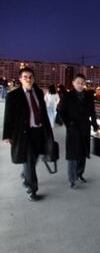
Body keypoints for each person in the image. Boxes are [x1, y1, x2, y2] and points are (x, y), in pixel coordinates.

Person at [2, 67, 54, 201]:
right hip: (25, 133)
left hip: (39, 131)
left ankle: (26, 175)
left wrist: (48, 130)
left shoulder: (38, 92)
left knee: (34, 158)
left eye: (30, 76)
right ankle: (32, 190)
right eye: (25, 77)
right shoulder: (13, 96)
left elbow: (43, 114)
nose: (28, 79)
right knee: (30, 161)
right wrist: (6, 135)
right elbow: (8, 117)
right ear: (20, 79)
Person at [58, 74, 99, 188]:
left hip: (85, 128)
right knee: (72, 155)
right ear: (73, 83)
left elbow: (92, 112)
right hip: (73, 129)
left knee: (83, 153)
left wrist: (95, 125)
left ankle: (79, 174)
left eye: (82, 83)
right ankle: (72, 179)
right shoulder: (67, 96)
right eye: (78, 82)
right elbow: (61, 112)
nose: (80, 85)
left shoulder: (89, 96)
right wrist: (68, 124)